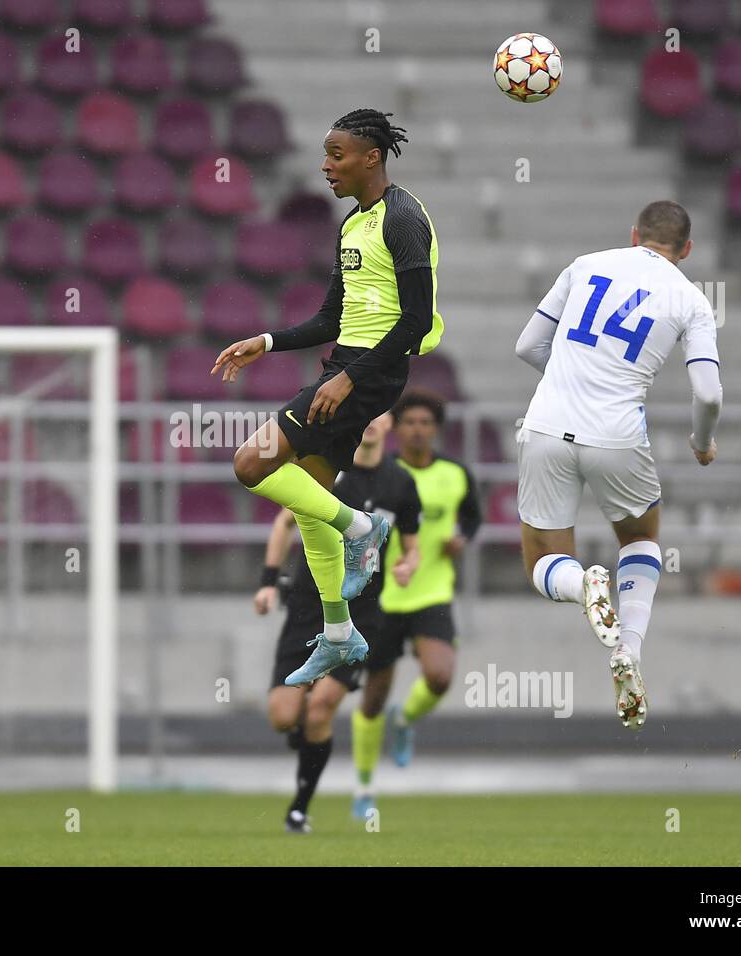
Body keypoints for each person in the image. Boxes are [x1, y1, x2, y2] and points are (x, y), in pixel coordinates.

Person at [214, 107, 445, 687]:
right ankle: (340, 634)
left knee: (251, 463)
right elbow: (329, 318)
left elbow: (416, 321)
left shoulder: (404, 219)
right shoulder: (352, 224)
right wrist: (266, 342)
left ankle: (364, 530)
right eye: (325, 155)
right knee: (306, 499)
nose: (325, 167)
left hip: (370, 372)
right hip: (347, 364)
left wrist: (350, 377)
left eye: (336, 155)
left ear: (373, 157)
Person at [513, 200, 723, 729]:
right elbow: (709, 392)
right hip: (618, 434)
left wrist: (566, 382)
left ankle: (582, 584)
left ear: (634, 235)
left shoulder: (585, 265)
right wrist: (702, 441)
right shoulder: (691, 300)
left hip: (545, 424)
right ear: (687, 249)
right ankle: (628, 648)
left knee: (542, 560)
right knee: (640, 540)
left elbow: (527, 345)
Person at [255, 411, 421, 833]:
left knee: (322, 709)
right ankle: (304, 731)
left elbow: (411, 546)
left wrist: (406, 565)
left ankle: (299, 807)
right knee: (281, 715)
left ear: (389, 424)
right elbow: (284, 521)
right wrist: (269, 582)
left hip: (362, 609)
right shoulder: (328, 467)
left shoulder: (401, 484)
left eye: (380, 413)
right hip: (309, 603)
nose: (370, 420)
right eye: (368, 412)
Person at [352, 390, 482, 819]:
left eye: (426, 422)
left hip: (432, 593)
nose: (417, 429)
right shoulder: (380, 475)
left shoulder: (456, 474)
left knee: (440, 675)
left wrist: (461, 538)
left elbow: (472, 517)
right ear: (396, 427)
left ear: (437, 428)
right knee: (373, 696)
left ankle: (405, 721)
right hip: (382, 598)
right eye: (409, 422)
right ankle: (364, 788)